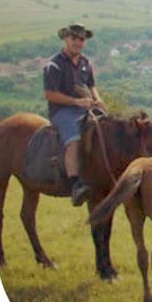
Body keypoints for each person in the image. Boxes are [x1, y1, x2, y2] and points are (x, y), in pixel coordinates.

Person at [43, 23, 106, 206]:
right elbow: (50, 94)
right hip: (62, 111)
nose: (78, 42)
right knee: (74, 140)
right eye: (74, 39)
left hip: (85, 107)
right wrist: (75, 102)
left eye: (81, 39)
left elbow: (91, 85)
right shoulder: (54, 65)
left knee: (106, 128)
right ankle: (75, 183)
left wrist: (97, 99)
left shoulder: (86, 63)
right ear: (66, 39)